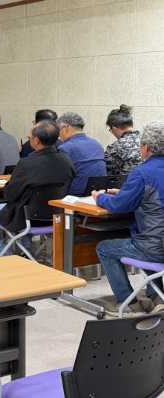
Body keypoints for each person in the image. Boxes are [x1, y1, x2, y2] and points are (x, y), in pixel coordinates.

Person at [92, 122, 164, 317]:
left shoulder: (142, 173)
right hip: (158, 243)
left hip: (154, 247)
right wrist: (126, 193)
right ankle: (157, 298)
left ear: (146, 147)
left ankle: (128, 303)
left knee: (105, 248)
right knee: (150, 241)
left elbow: (119, 206)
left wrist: (100, 197)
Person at [0, 120, 75, 256]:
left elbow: (10, 195)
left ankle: (5, 254)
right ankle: (24, 252)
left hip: (26, 216)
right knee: (26, 204)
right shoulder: (67, 160)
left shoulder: (27, 163)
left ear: (36, 140)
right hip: (56, 215)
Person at [56, 112, 106, 196]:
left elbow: (60, 179)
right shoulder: (97, 145)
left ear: (65, 128)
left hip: (75, 197)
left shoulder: (65, 148)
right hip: (98, 195)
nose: (59, 136)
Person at [105, 104, 143, 175]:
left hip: (127, 182)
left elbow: (108, 176)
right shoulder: (148, 142)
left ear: (114, 128)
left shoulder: (113, 148)